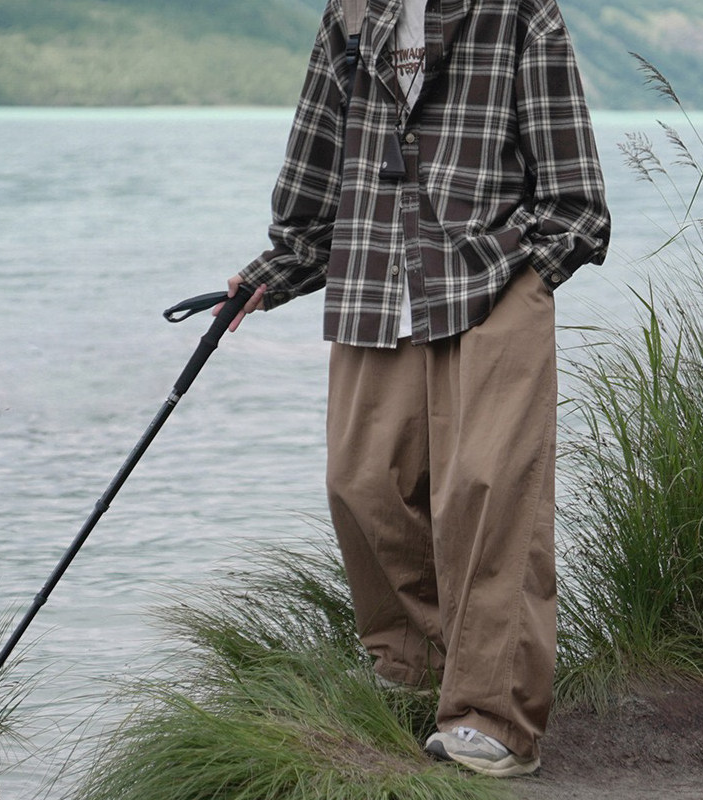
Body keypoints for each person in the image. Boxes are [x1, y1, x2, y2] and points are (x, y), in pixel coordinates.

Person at [221, 0, 611, 778]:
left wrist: (529, 276)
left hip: (495, 282)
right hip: (374, 284)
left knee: (485, 491)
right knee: (361, 484)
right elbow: (316, 161)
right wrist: (273, 273)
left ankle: (493, 718)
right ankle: (416, 677)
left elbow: (576, 200)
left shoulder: (520, 11)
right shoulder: (348, 15)